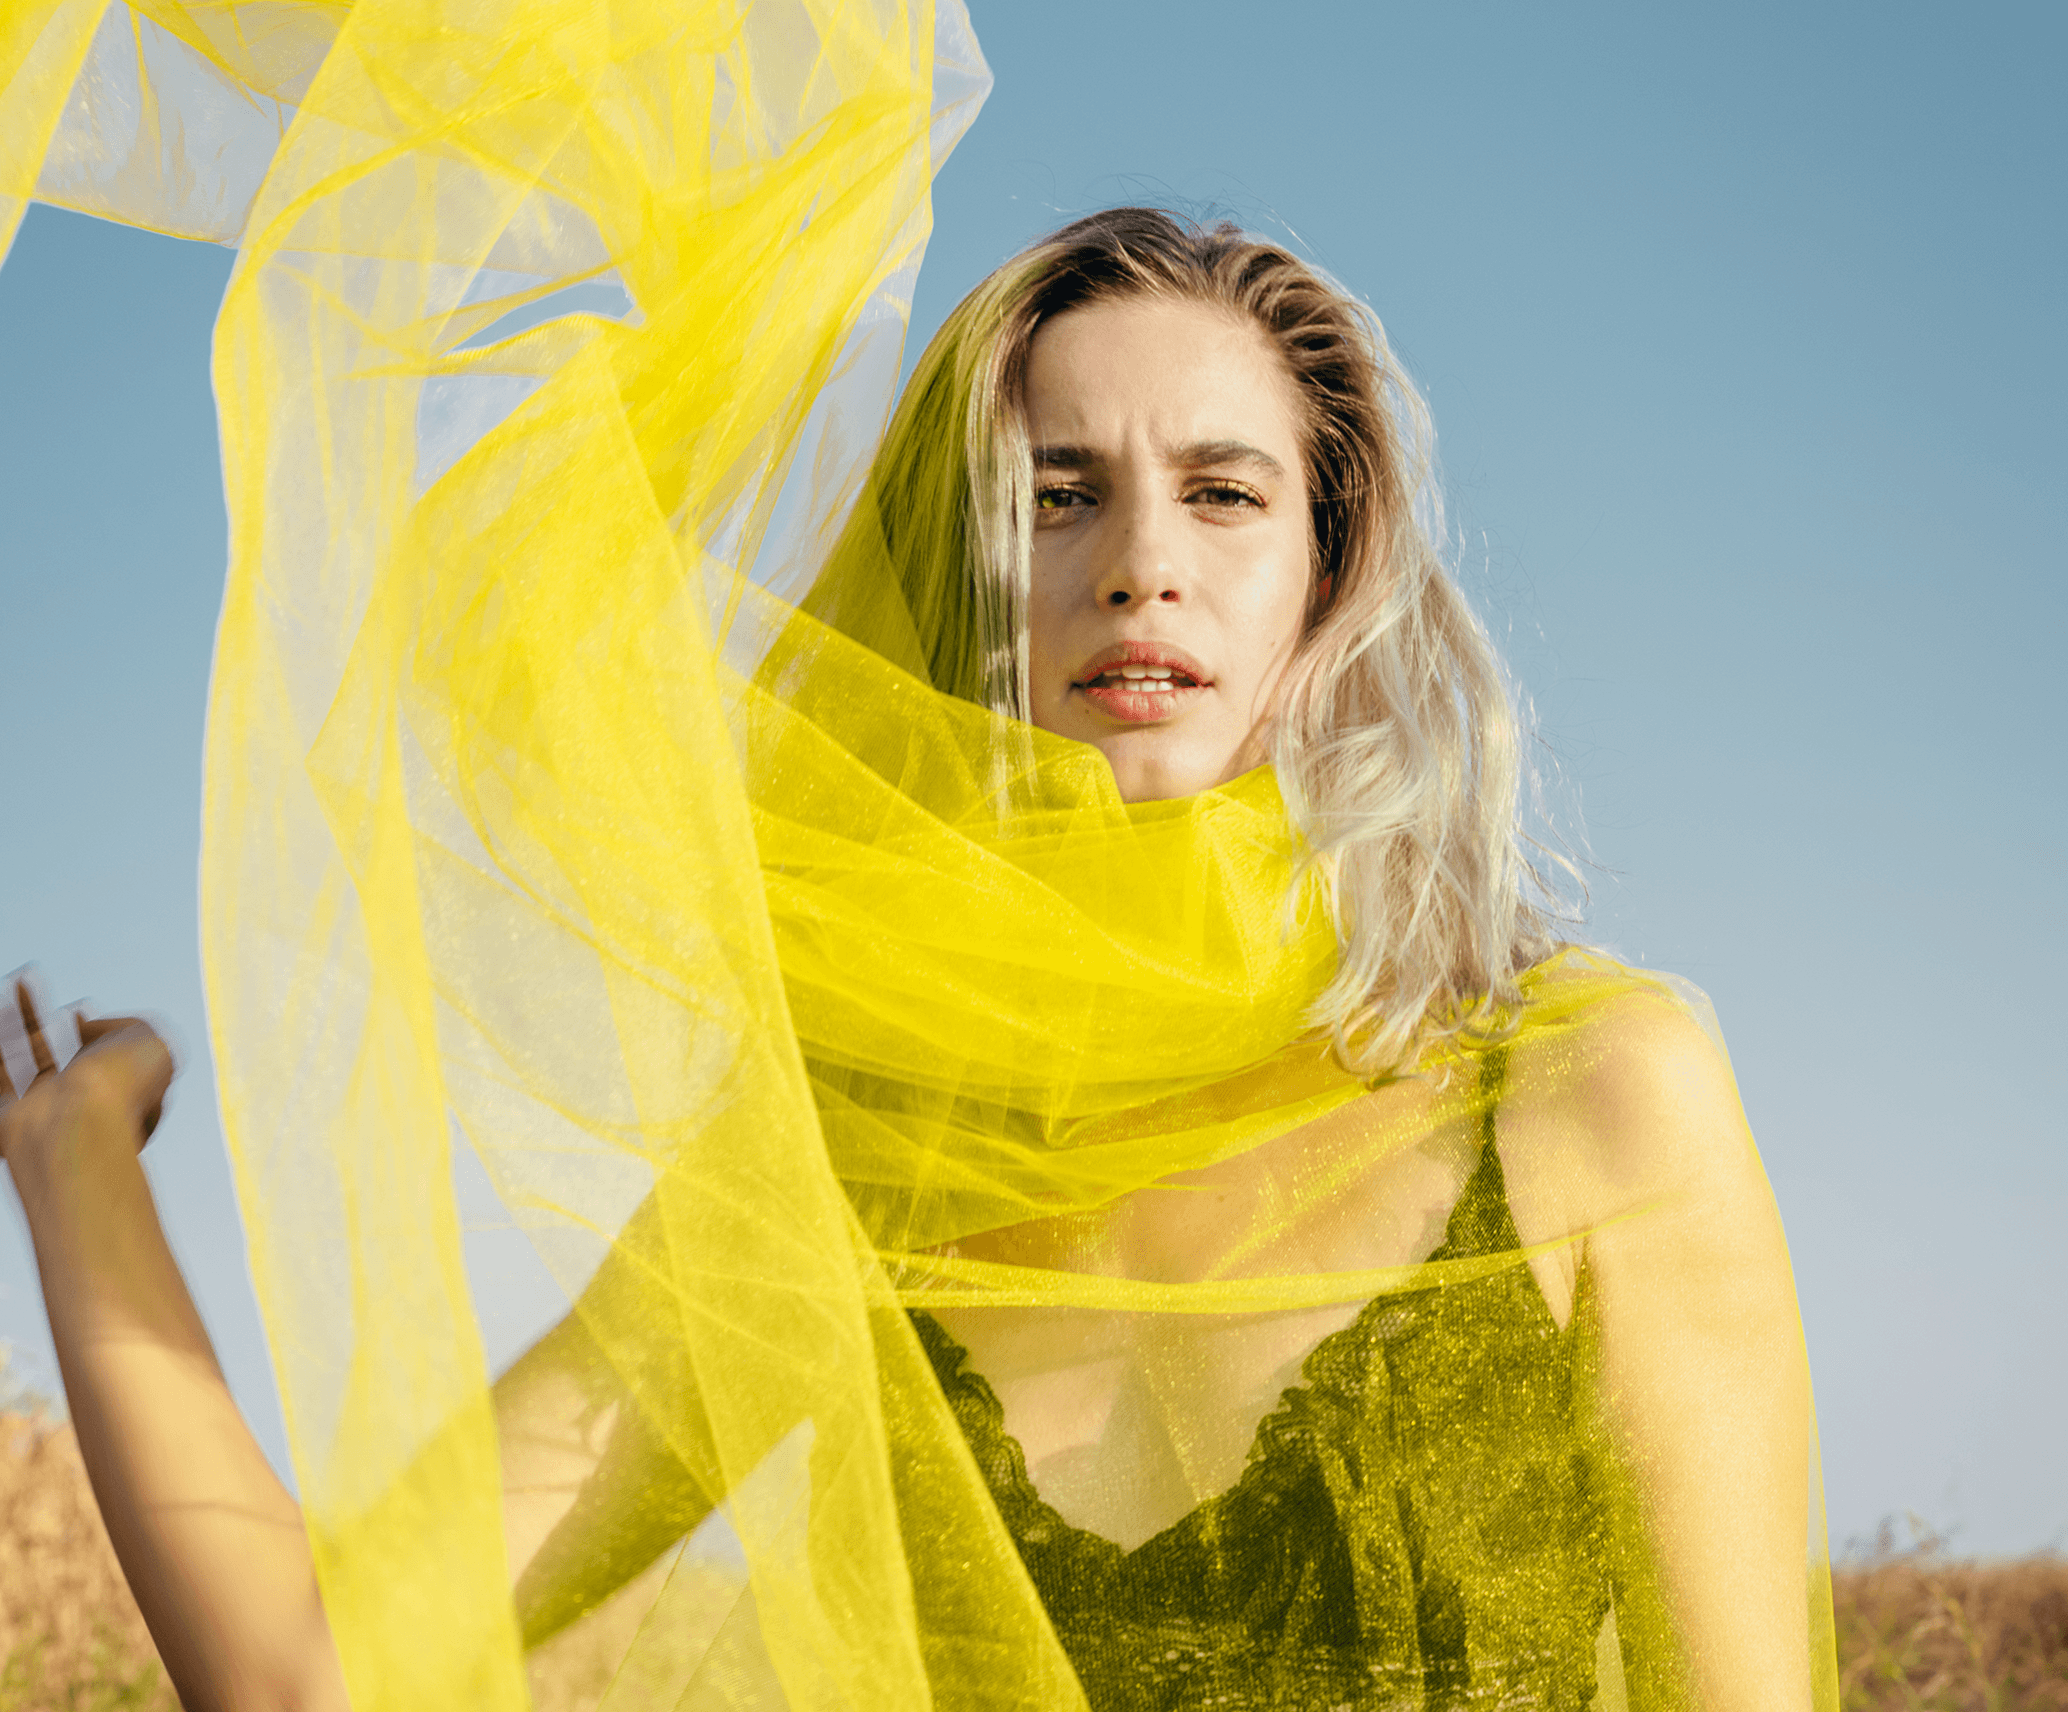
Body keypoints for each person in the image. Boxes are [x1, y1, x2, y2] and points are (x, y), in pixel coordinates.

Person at [1, 7, 1835, 1708]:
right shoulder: (842, 1174)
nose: (1139, 562)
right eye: (1053, 494)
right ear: (963, 586)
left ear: (1326, 576)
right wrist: (78, 1166)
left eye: (1222, 489)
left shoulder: (1586, 1093)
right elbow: (318, 1667)